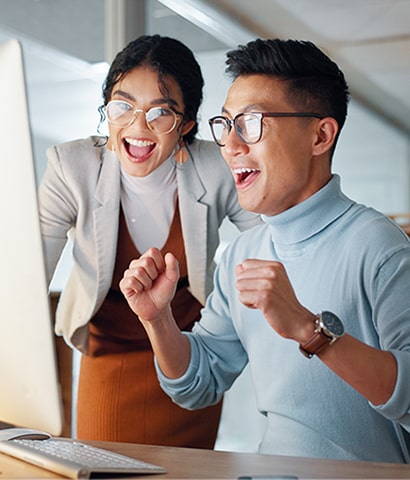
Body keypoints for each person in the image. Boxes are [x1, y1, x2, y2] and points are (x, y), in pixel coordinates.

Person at [120, 38, 410, 463]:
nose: (231, 146)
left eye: (251, 122)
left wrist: (311, 331)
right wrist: (157, 319)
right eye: (226, 124)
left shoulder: (380, 246)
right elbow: (198, 384)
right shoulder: (243, 253)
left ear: (320, 135)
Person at [39, 34, 261, 447]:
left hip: (189, 351)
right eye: (123, 106)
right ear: (107, 109)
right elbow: (29, 274)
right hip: (110, 351)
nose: (138, 127)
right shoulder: (72, 167)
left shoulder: (215, 167)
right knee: (101, 466)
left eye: (161, 113)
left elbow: (268, 244)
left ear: (187, 125)